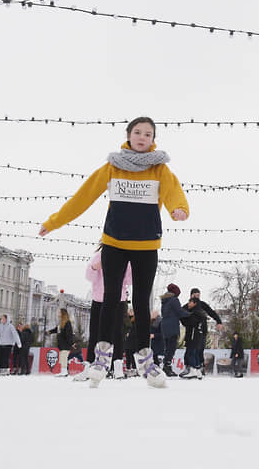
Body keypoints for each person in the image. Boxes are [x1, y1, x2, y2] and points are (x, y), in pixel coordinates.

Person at [38, 116, 189, 389]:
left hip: (146, 245)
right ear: (129, 135)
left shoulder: (159, 170)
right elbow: (82, 197)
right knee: (110, 300)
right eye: (138, 132)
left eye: (148, 133)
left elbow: (173, 193)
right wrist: (53, 222)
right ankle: (101, 356)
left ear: (153, 139)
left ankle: (145, 358)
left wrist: (179, 209)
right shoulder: (112, 167)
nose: (142, 137)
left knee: (142, 303)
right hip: (114, 243)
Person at [76, 245, 132, 383]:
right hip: (99, 299)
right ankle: (89, 365)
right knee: (94, 333)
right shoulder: (100, 255)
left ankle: (117, 365)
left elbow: (130, 280)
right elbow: (89, 276)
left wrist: (128, 266)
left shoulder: (126, 256)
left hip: (118, 299)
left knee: (117, 333)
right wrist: (96, 267)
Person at [188, 288, 223, 374]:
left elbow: (211, 312)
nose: (197, 297)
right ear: (191, 296)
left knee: (200, 349)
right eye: (195, 295)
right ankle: (190, 367)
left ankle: (201, 367)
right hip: (192, 331)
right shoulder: (188, 306)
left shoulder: (202, 304)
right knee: (192, 350)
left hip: (202, 330)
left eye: (198, 296)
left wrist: (218, 321)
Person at [159, 283, 189, 376]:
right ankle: (167, 367)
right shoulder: (174, 300)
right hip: (172, 326)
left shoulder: (165, 301)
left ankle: (166, 366)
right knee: (171, 347)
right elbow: (179, 312)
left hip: (164, 326)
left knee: (167, 347)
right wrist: (189, 314)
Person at [179, 296, 207, 379]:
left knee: (191, 352)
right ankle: (198, 372)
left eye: (190, 302)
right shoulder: (197, 312)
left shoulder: (196, 313)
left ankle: (193, 370)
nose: (188, 304)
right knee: (193, 353)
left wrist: (181, 317)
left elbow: (190, 323)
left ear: (194, 303)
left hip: (193, 335)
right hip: (195, 335)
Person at [45, 309, 76, 377]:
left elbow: (69, 334)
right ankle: (63, 371)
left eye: (59, 312)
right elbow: (56, 330)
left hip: (66, 344)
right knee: (62, 358)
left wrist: (72, 343)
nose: (58, 313)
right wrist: (49, 332)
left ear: (63, 314)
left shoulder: (67, 323)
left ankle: (64, 372)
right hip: (61, 344)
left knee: (64, 358)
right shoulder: (61, 323)